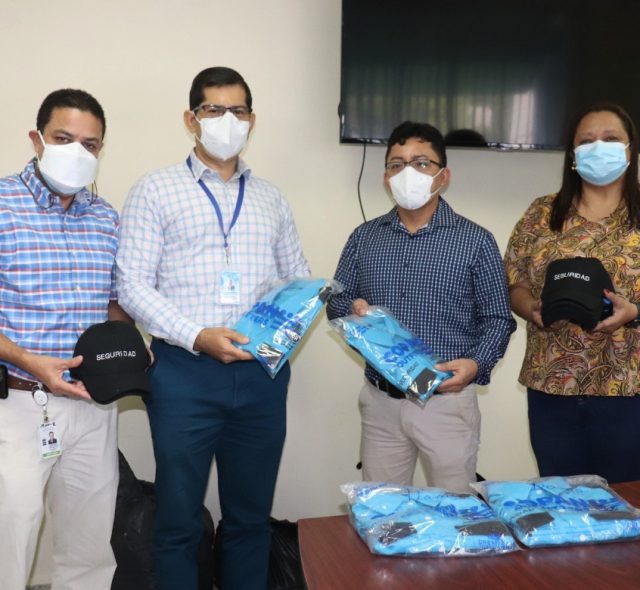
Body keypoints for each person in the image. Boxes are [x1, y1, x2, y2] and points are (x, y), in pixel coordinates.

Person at [116, 66, 309, 590]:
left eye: (237, 110)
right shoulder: (155, 190)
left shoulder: (271, 198)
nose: (227, 120)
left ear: (252, 120)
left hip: (261, 376)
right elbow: (132, 285)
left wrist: (296, 317)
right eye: (213, 109)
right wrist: (198, 335)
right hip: (184, 373)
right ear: (191, 119)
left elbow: (296, 280)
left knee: (249, 519)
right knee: (178, 521)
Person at [327, 121, 515, 494]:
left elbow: (498, 319)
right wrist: (352, 309)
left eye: (421, 163)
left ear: (443, 176)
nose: (407, 173)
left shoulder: (475, 241)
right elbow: (337, 300)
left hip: (446, 400)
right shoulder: (364, 238)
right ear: (386, 178)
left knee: (455, 508)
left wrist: (476, 364)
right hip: (381, 401)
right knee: (384, 511)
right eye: (396, 165)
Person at [0, 89, 131, 589]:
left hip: (92, 406)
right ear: (36, 140)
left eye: (90, 144)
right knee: (11, 543)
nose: (77, 152)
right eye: (63, 138)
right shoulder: (3, 203)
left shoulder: (105, 217)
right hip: (18, 402)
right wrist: (30, 360)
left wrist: (131, 347)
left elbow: (115, 304)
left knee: (89, 549)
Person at [504, 102, 640, 483]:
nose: (599, 147)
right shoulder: (542, 213)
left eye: (610, 139)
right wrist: (530, 308)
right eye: (587, 140)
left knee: (626, 505)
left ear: (630, 150)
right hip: (552, 390)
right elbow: (515, 282)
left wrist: (634, 312)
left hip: (630, 392)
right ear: (573, 155)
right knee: (562, 502)